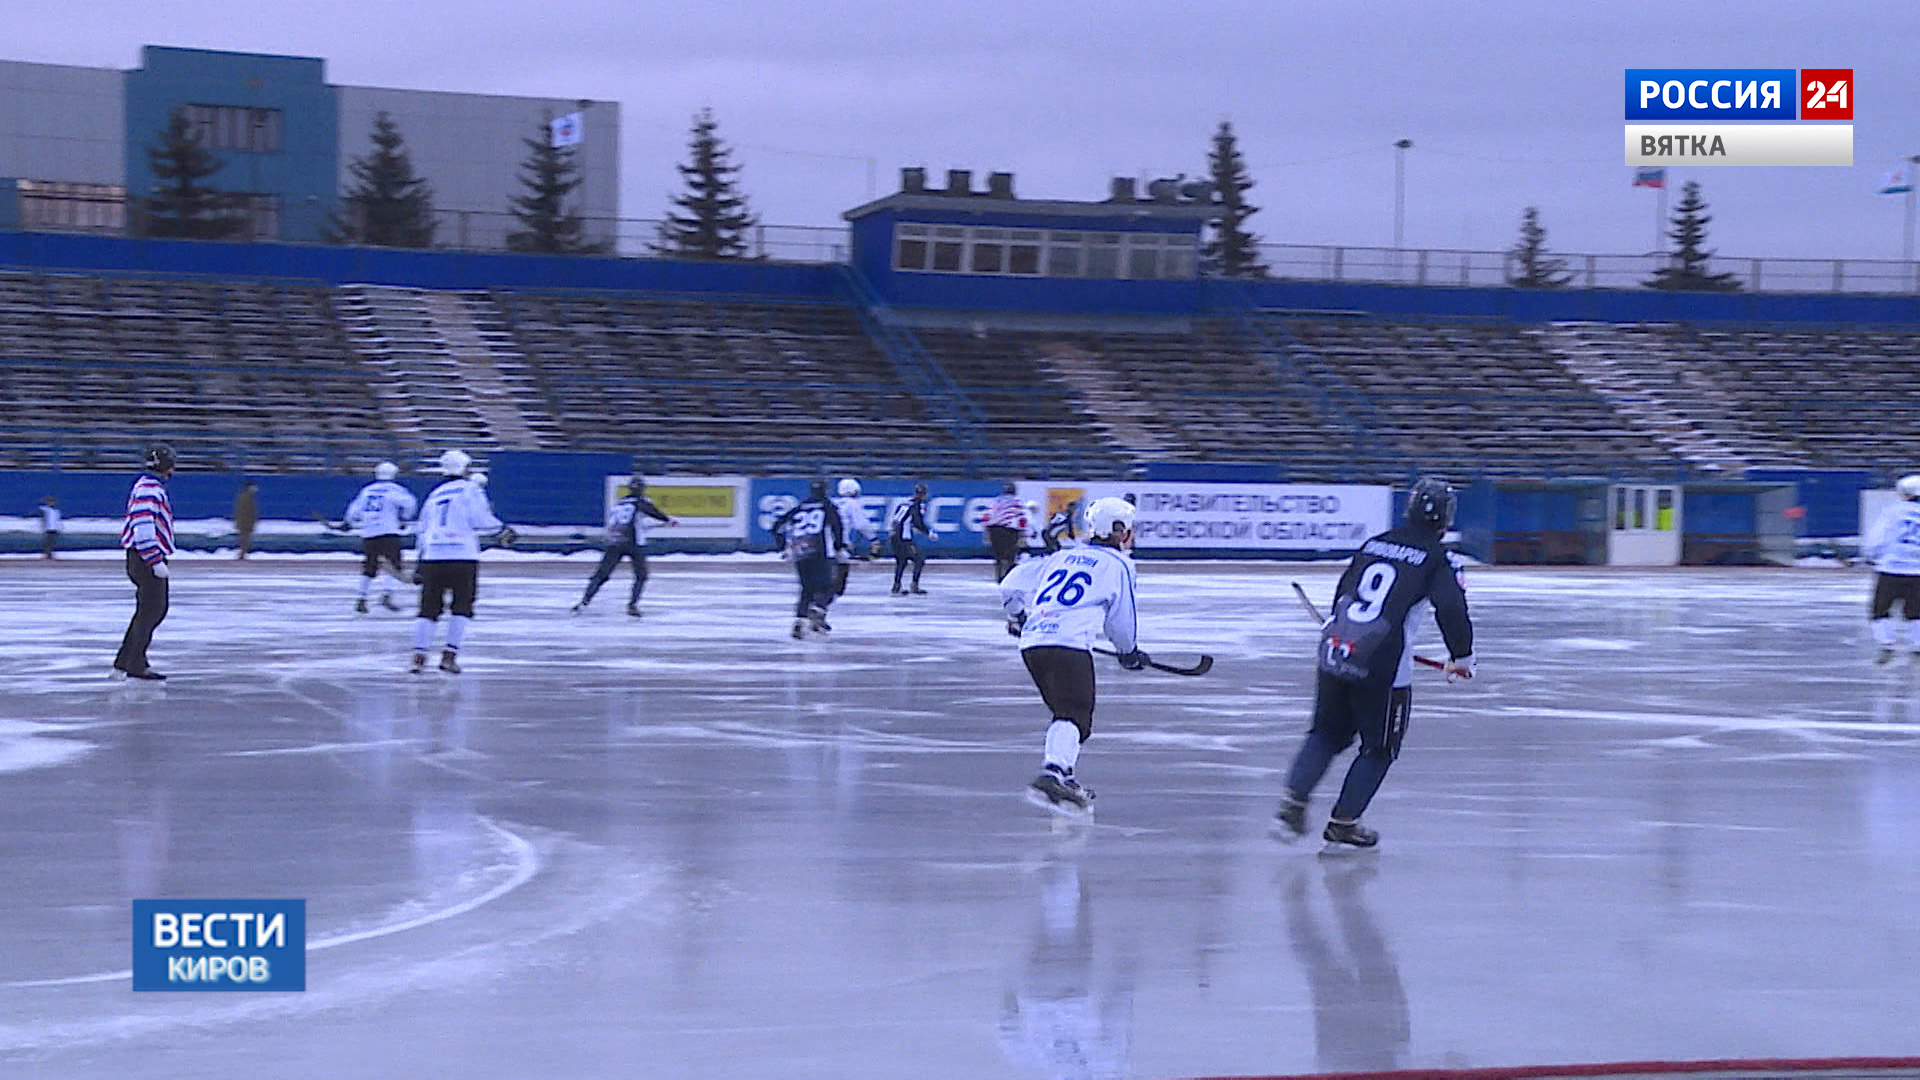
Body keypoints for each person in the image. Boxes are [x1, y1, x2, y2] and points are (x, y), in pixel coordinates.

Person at [1274, 478, 1475, 850]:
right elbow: (1451, 608)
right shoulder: (1439, 558)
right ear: (1446, 518)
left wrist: (1339, 629)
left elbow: (1345, 590)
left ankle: (1293, 803)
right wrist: (1461, 657)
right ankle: (1344, 822)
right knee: (1379, 749)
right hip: (1383, 667)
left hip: (1338, 648)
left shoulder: (1375, 544)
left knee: (1325, 734)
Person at [999, 496, 1148, 815]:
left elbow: (1009, 585)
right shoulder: (1119, 564)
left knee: (1066, 715)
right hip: (1069, 645)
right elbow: (1121, 620)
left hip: (1033, 643)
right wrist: (1128, 652)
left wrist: (1019, 617)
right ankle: (1053, 774)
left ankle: (1063, 775)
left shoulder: (1061, 556)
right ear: (1120, 530)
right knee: (1074, 714)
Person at [410, 449, 515, 674]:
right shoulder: (470, 489)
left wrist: (420, 561)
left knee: (428, 609)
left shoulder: (434, 494)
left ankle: (418, 657)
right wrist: (501, 529)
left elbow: (422, 529)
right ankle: (449, 655)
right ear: (464, 468)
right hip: (462, 555)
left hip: (433, 555)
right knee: (462, 606)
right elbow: (479, 518)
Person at [573, 475, 676, 617]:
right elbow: (652, 512)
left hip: (615, 541)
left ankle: (584, 602)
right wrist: (667, 520)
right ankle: (632, 605)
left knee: (601, 575)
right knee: (641, 575)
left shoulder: (619, 504)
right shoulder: (640, 502)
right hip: (634, 543)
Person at [114, 444, 176, 680]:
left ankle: (127, 660)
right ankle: (134, 663)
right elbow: (143, 526)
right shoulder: (149, 489)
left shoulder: (148, 486)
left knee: (148, 611)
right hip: (144, 557)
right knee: (153, 610)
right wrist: (154, 559)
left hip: (142, 556)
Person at [771, 479, 846, 639]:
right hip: (819, 551)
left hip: (800, 551)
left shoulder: (800, 507)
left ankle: (800, 620)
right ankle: (818, 609)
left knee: (806, 588)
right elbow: (837, 526)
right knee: (828, 586)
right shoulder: (828, 506)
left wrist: (783, 546)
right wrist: (839, 546)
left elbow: (777, 526)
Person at [345, 461, 418, 614]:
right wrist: (405, 518)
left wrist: (349, 522)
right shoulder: (395, 489)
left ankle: (362, 597)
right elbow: (410, 504)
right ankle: (387, 594)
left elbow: (354, 509)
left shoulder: (367, 490)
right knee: (394, 565)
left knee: (369, 567)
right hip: (388, 531)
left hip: (369, 532)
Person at [1864, 474, 1920, 664]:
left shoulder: (1892, 512)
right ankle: (1918, 644)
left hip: (1891, 568)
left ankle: (1886, 644)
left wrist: (1871, 555)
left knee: (1880, 609)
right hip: (1918, 572)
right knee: (1916, 612)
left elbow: (1877, 538)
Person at [831, 478, 879, 597]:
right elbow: (861, 524)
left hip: (822, 540)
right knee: (841, 568)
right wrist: (873, 539)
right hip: (839, 541)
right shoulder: (852, 504)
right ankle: (830, 595)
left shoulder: (832, 502)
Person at [889, 482, 936, 596]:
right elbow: (917, 522)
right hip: (904, 538)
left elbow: (897, 520)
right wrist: (929, 533)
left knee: (901, 561)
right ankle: (914, 585)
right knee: (919, 559)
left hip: (894, 536)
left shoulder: (904, 503)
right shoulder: (916, 505)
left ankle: (896, 586)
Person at [984, 482, 1029, 581]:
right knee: (1010, 555)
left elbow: (987, 516)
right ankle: (1008, 577)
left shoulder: (996, 500)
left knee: (998, 556)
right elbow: (1021, 518)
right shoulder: (1016, 501)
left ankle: (999, 575)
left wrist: (987, 531)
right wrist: (1023, 533)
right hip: (1009, 530)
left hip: (994, 529)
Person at [232, 481, 258, 560]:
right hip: (245, 522)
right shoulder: (245, 497)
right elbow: (244, 511)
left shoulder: (247, 497)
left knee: (245, 538)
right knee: (244, 538)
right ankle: (242, 554)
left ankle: (242, 553)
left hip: (246, 521)